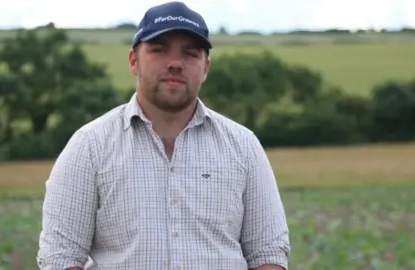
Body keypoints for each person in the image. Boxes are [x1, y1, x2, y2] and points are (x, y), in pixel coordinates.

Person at [36, 1, 290, 269]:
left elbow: (268, 254)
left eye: (191, 54)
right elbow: (61, 256)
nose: (175, 63)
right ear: (134, 61)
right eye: (159, 50)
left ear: (205, 68)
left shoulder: (244, 146)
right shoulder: (89, 146)